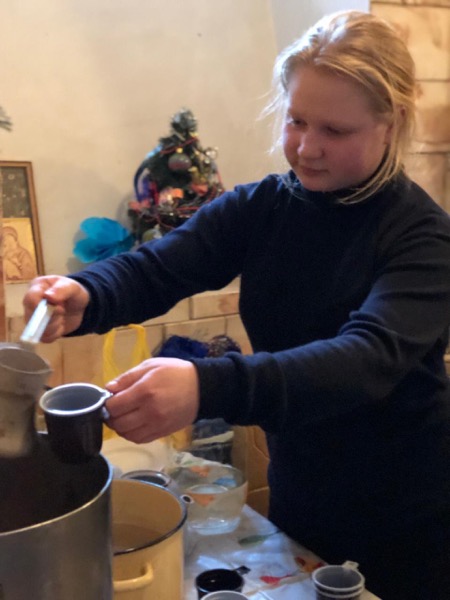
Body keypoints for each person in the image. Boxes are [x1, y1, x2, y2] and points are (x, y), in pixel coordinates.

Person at [23, 11, 450, 599]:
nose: (307, 147)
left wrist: (207, 385)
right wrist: (88, 294)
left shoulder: (422, 237)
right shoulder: (262, 208)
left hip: (408, 514)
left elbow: (365, 360)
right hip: (300, 491)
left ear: (391, 123)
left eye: (335, 130)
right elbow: (158, 268)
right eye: (297, 120)